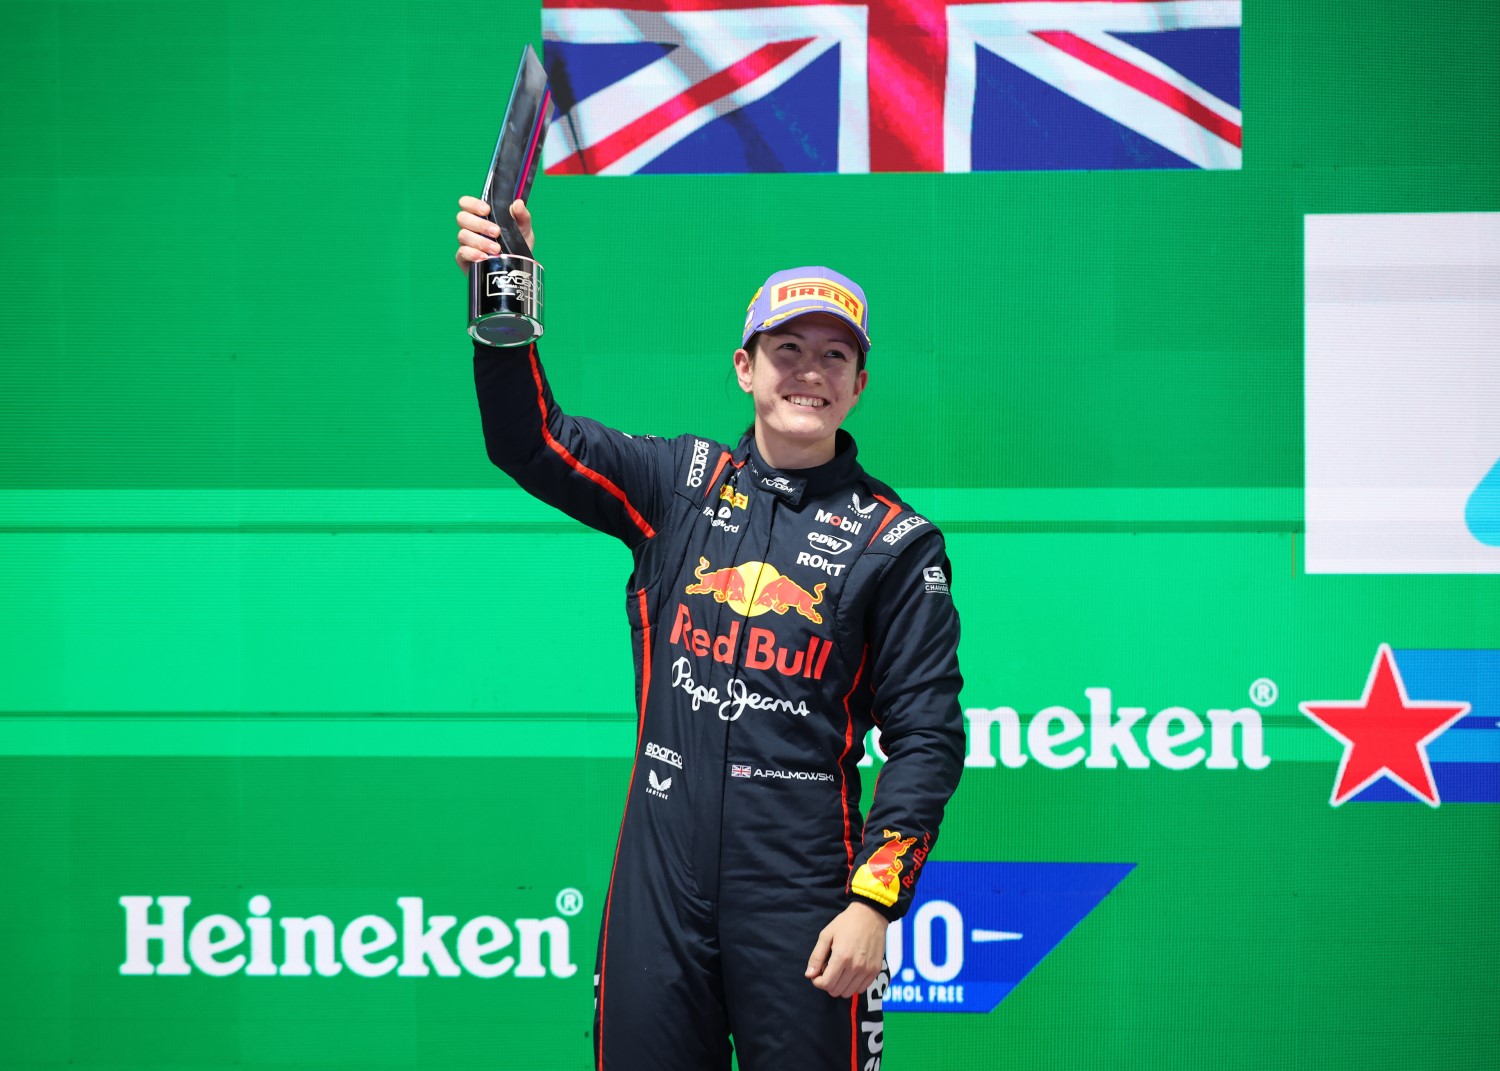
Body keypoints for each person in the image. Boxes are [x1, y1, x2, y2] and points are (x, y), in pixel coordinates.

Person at [455, 196, 965, 1071]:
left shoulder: (897, 541)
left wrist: (875, 904)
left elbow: (926, 737)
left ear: (858, 384)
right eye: (787, 350)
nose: (810, 372)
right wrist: (503, 288)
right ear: (745, 366)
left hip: (806, 894)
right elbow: (527, 440)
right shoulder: (679, 482)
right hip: (659, 885)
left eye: (834, 355)